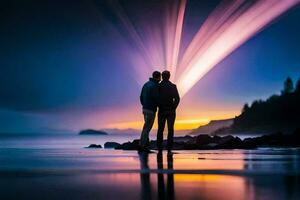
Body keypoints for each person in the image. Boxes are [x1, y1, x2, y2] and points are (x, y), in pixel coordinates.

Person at [157, 70, 180, 152]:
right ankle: (169, 147)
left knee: (160, 129)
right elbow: (177, 99)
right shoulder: (173, 86)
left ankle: (159, 147)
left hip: (162, 111)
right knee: (170, 129)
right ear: (169, 76)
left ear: (162, 76)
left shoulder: (158, 86)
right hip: (171, 111)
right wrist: (173, 107)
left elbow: (156, 98)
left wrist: (159, 106)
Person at [139, 71, 161, 152]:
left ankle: (145, 145)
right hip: (151, 110)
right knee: (147, 128)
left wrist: (144, 105)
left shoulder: (146, 84)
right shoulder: (155, 86)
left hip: (145, 109)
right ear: (158, 77)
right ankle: (142, 145)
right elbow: (156, 98)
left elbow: (141, 97)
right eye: (160, 77)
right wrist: (160, 106)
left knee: (146, 127)